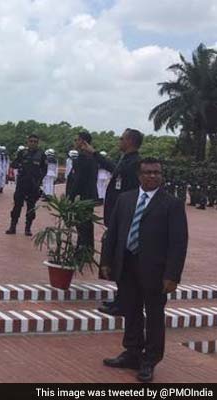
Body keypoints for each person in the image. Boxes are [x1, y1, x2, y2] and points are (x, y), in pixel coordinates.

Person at [101, 157, 188, 383]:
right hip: (127, 265)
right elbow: (114, 233)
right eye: (148, 172)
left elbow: (179, 243)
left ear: (162, 175)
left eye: (157, 172)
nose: (152, 176)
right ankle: (132, 353)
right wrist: (107, 261)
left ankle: (150, 360)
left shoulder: (172, 204)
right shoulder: (125, 199)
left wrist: (172, 276)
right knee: (131, 311)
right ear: (139, 175)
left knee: (155, 317)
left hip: (156, 272)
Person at [79, 128, 143, 316]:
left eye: (122, 138)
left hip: (125, 218)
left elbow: (119, 175)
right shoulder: (127, 159)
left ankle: (124, 302)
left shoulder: (134, 162)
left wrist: (94, 154)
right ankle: (120, 298)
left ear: (130, 141)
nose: (119, 140)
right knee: (117, 259)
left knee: (122, 260)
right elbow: (115, 170)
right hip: (118, 217)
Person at [6, 134, 47, 236]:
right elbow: (13, 164)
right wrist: (19, 165)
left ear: (38, 143)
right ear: (27, 142)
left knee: (31, 208)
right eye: (31, 141)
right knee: (17, 206)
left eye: (35, 141)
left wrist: (39, 179)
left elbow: (44, 169)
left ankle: (27, 228)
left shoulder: (41, 154)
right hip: (21, 184)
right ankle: (13, 227)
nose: (33, 143)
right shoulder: (22, 153)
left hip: (33, 185)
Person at [67, 131, 98, 250]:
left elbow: (78, 179)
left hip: (83, 195)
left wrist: (71, 196)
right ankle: (87, 249)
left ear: (83, 142)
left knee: (82, 223)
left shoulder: (83, 158)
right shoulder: (92, 157)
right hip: (89, 194)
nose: (75, 142)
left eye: (77, 140)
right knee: (87, 223)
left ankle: (83, 248)